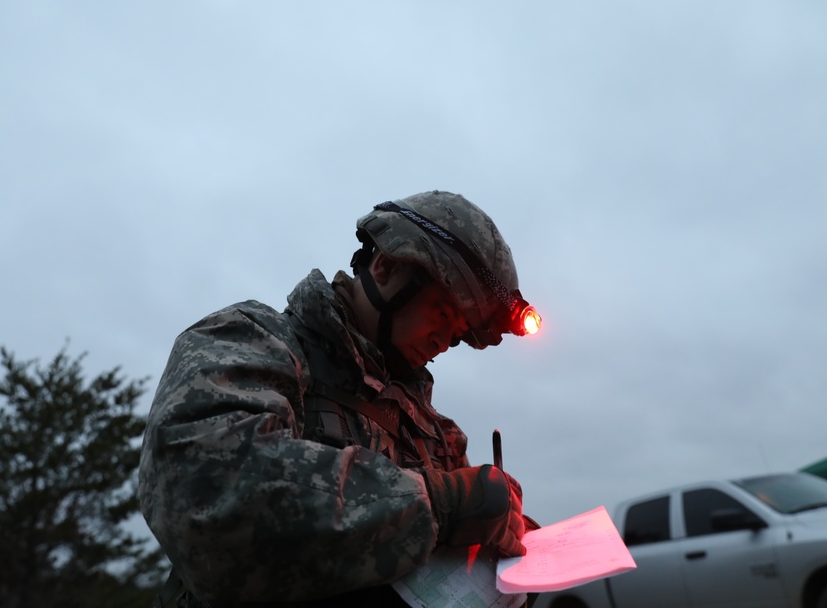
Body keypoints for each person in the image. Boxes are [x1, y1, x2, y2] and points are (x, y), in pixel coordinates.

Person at [139, 190, 543, 607]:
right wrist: (443, 505)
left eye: (458, 333)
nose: (444, 341)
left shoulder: (435, 432)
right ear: (385, 266)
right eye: (441, 313)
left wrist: (507, 543)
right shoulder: (252, 340)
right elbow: (207, 490)